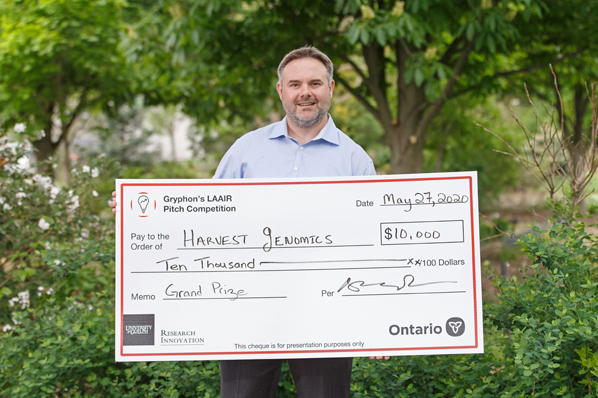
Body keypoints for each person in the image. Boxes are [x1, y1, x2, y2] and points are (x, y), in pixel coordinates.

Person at [112, 46, 379, 397]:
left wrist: (378, 322)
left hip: (326, 311)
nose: (305, 93)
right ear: (281, 90)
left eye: (315, 83)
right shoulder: (246, 150)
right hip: (246, 308)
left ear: (331, 87)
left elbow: (374, 243)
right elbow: (202, 217)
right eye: (294, 84)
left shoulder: (354, 161)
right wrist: (141, 215)